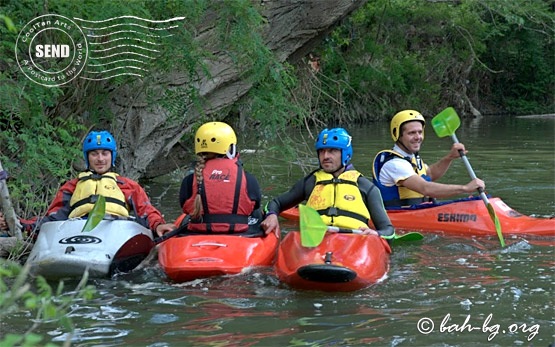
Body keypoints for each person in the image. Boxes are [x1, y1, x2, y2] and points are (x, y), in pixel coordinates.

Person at [0, 130, 174, 237]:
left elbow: (147, 212)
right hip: (77, 230)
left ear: (112, 157)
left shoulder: (128, 186)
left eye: (105, 153)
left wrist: (158, 225)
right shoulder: (72, 187)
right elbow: (52, 219)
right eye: (94, 154)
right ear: (87, 157)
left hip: (116, 230)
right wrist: (18, 223)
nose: (100, 159)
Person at [261, 127, 395, 240]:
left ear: (345, 154)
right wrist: (271, 215)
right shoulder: (310, 182)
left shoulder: (366, 186)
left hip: (355, 241)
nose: (325, 156)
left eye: (332, 151)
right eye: (322, 151)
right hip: (316, 241)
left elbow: (388, 230)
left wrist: (376, 234)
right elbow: (275, 204)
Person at [372, 110, 485, 207]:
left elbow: (430, 174)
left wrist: (449, 157)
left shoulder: (411, 158)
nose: (418, 137)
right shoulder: (395, 164)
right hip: (400, 216)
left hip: (419, 210)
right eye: (411, 133)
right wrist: (465, 188)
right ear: (398, 135)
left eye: (420, 132)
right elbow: (425, 188)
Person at [177, 121, 264, 236]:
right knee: (257, 212)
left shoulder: (189, 180)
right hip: (239, 233)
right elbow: (255, 205)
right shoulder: (248, 179)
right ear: (231, 148)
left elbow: (184, 207)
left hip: (197, 233)